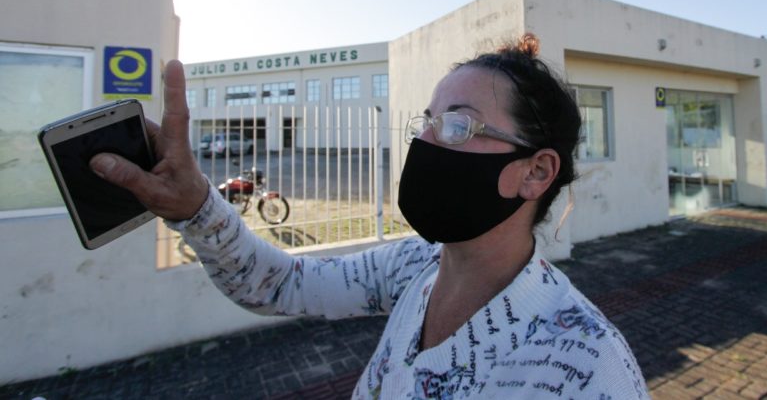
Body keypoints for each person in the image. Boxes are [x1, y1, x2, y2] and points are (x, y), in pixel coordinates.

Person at [90, 34, 649, 399]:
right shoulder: (416, 267)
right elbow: (281, 285)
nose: (425, 144)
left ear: (536, 172)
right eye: (426, 123)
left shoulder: (587, 366)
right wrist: (196, 208)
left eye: (457, 125)